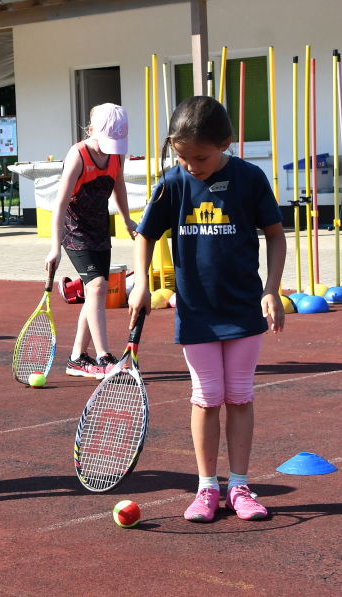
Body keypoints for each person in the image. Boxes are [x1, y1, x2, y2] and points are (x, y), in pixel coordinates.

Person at [128, 96, 286, 523]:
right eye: (182, 156)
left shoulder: (250, 179)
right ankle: (206, 488)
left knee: (238, 396)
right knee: (206, 397)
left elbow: (275, 235)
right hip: (196, 312)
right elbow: (144, 236)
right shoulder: (173, 182)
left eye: (201, 156)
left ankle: (239, 485)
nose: (191, 165)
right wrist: (142, 283)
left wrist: (271, 290)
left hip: (242, 313)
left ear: (227, 144)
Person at [45, 104, 136, 379]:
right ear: (91, 130)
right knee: (96, 286)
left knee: (96, 290)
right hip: (74, 229)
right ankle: (104, 356)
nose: (111, 148)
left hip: (99, 229)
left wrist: (126, 219)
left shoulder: (116, 156)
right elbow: (60, 203)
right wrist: (54, 246)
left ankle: (76, 359)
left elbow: (118, 186)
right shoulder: (78, 155)